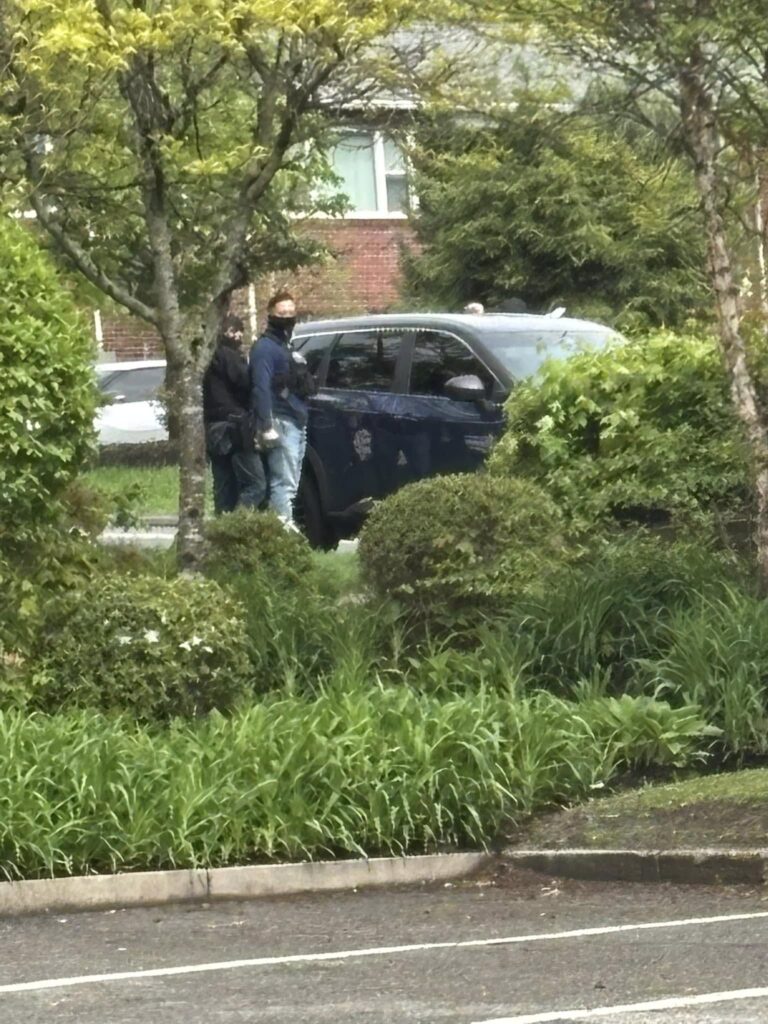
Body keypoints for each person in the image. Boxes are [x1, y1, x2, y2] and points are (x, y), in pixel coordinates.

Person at [249, 291, 315, 529]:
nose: (287, 317)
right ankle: (282, 533)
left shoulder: (285, 347)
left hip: (296, 421)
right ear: (270, 315)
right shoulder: (264, 349)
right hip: (281, 422)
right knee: (283, 485)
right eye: (282, 313)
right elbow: (260, 388)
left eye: (291, 312)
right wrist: (266, 426)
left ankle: (280, 529)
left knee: (291, 485)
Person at [203, 313, 267, 515]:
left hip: (212, 428)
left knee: (224, 489)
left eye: (240, 331)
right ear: (225, 332)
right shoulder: (229, 356)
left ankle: (222, 527)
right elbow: (246, 383)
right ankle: (237, 524)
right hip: (235, 427)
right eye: (235, 331)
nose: (238, 336)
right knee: (256, 485)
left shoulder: (203, 359)